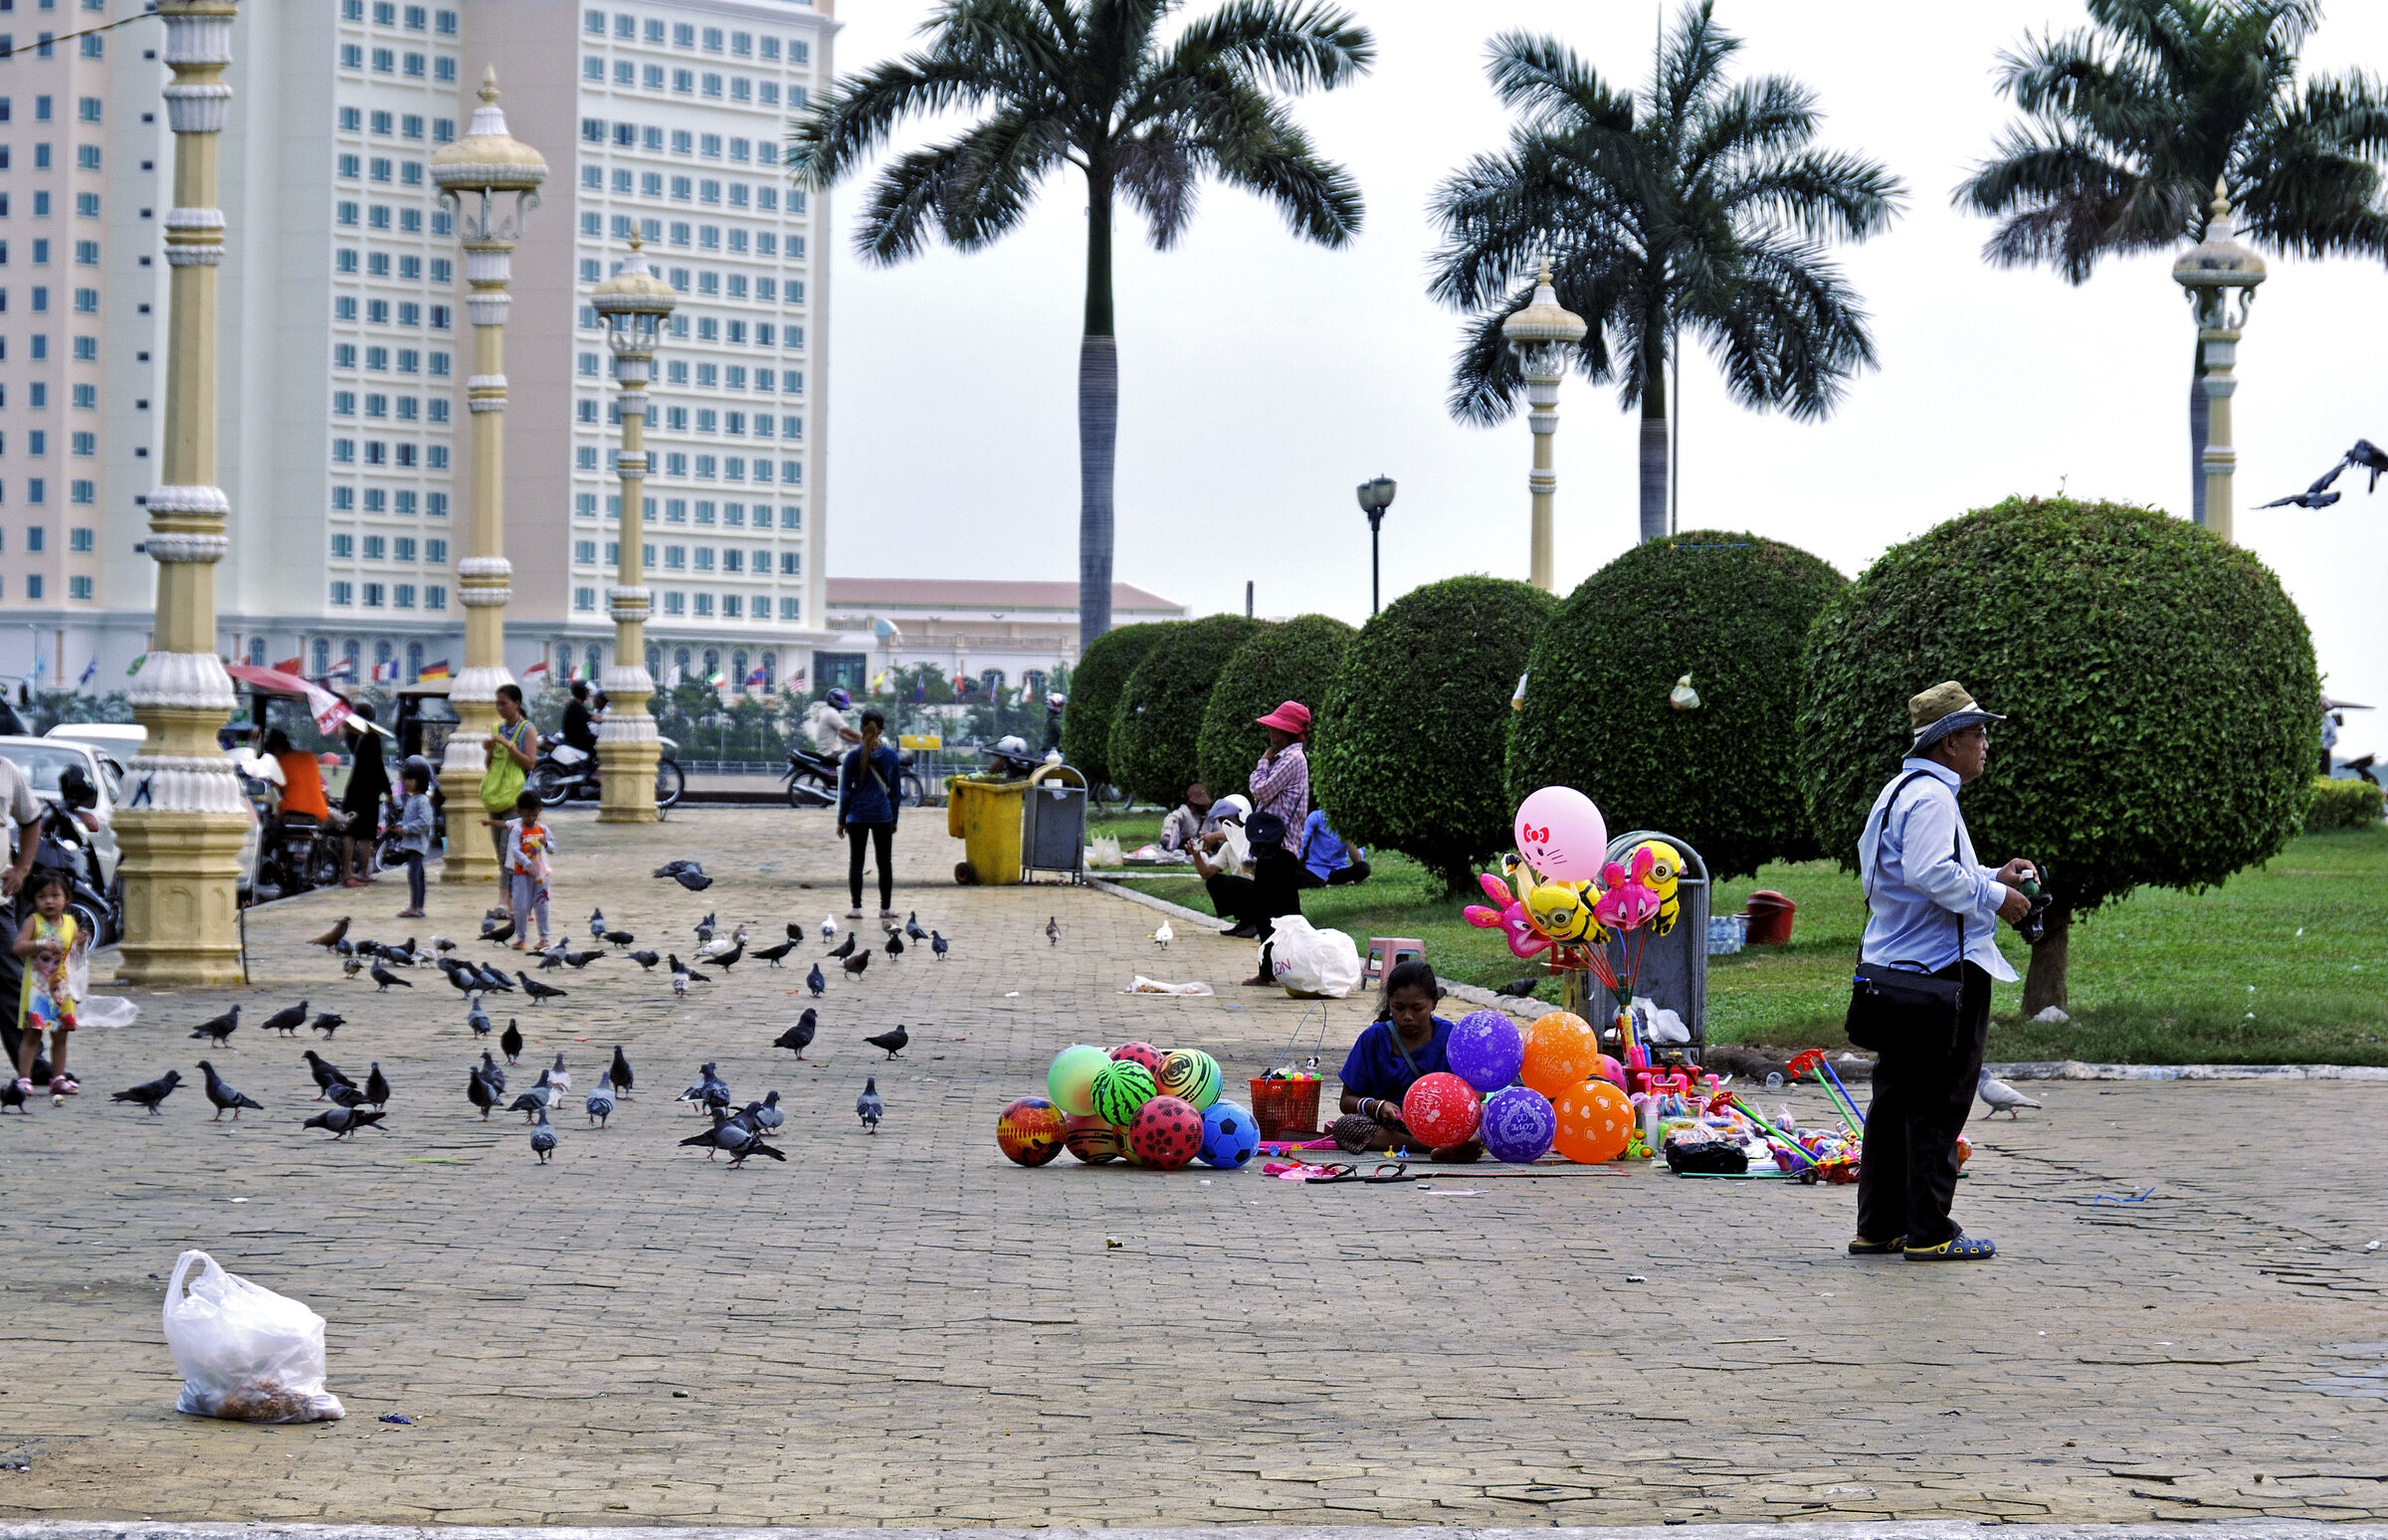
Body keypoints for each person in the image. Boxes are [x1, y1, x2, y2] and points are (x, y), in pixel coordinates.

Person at [1851, 680, 2039, 1263]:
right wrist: (1995, 898)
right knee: (1938, 1102)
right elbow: (1934, 874)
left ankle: (1879, 1227)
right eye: (1977, 734)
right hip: (1940, 976)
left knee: (1893, 1103)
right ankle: (1930, 1231)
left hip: (1893, 972)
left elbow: (1915, 872)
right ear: (1949, 743)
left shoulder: (1899, 792)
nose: (1985, 744)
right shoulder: (1933, 798)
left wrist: (1990, 874)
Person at [1334, 961, 1479, 1158]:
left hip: (1444, 1122)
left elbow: (1477, 1094)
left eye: (1417, 1008)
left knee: (1488, 1118)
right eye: (1398, 1008)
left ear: (1434, 1003)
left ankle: (1449, 1143)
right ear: (1389, 1003)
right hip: (1394, 1126)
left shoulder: (1451, 1037)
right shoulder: (1373, 1038)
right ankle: (1431, 1147)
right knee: (1346, 1127)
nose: (1407, 1016)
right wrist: (1376, 1106)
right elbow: (1346, 1101)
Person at [1191, 809, 1306, 980]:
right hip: (1257, 891)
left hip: (1262, 889)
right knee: (1268, 918)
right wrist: (1196, 855)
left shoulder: (1279, 857)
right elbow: (1208, 873)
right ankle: (1270, 968)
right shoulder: (1255, 850)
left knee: (1277, 918)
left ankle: (1276, 971)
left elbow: (1259, 788)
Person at [10, 871, 79, 1098]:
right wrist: (39, 943)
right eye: (42, 896)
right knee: (33, 1034)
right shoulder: (34, 922)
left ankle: (58, 1078)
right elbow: (18, 947)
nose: (48, 901)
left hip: (61, 989)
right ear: (34, 900)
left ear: (66, 898)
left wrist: (81, 942)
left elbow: (74, 953)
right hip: (38, 990)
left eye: (54, 895)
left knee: (61, 1035)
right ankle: (24, 1079)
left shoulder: (70, 923)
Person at [837, 705, 902, 921]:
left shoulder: (852, 758)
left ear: (861, 727)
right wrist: (894, 818)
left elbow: (845, 792)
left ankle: (856, 909)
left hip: (857, 816)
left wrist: (842, 819)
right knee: (885, 863)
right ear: (881, 730)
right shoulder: (891, 757)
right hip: (883, 816)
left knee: (856, 862)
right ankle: (885, 909)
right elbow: (895, 793)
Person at [481, 683, 538, 899]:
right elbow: (490, 765)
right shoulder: (497, 729)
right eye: (497, 703)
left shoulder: (527, 729)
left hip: (516, 798)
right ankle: (510, 899)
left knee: (510, 852)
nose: (500, 708)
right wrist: (490, 750)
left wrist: (509, 746)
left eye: (503, 703)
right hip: (496, 795)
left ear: (517, 703)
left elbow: (529, 763)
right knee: (500, 851)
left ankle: (508, 901)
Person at [1249, 700, 1310, 857]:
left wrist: (1262, 762)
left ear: (1287, 731)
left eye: (1275, 727)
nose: (1270, 729)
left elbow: (1261, 791)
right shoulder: (1281, 757)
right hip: (1270, 840)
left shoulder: (1293, 758)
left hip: (1281, 844)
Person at [338, 703, 390, 888]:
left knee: (350, 832)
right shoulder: (372, 738)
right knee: (366, 835)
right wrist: (388, 791)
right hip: (369, 792)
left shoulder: (351, 735)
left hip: (353, 789)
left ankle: (347, 872)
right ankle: (363, 872)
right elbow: (378, 767)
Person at [501, 787, 555, 950]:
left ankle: (544, 938)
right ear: (519, 812)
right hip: (521, 875)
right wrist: (527, 864)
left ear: (539, 811)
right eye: (526, 815)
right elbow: (515, 850)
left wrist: (545, 843)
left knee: (542, 905)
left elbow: (553, 847)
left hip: (541, 875)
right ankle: (521, 938)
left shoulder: (543, 830)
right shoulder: (517, 830)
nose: (530, 818)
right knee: (521, 906)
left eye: (534, 815)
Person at [393, 761, 436, 919]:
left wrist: (407, 828)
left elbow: (425, 821)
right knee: (418, 875)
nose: (407, 782)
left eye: (411, 779)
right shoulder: (412, 799)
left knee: (414, 875)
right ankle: (418, 906)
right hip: (412, 843)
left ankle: (415, 907)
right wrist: (400, 826)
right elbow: (408, 819)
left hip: (418, 844)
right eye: (406, 779)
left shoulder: (422, 800)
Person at [1298, 808, 1371, 886]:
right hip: (1315, 870)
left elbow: (1358, 860)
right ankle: (1325, 884)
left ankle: (1324, 883)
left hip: (1338, 870)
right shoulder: (1316, 816)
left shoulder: (1352, 820)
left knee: (1364, 868)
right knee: (1292, 871)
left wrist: (1348, 831)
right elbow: (1302, 841)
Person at [1158, 783, 1218, 854]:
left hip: (1205, 846)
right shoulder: (1184, 812)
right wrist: (1167, 835)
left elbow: (1219, 832)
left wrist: (1213, 837)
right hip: (1186, 846)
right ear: (1192, 804)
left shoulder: (1210, 816)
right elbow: (1172, 819)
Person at [561, 679, 601, 782]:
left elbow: (590, 714)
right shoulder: (575, 706)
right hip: (578, 739)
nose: (588, 694)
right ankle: (593, 773)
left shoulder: (574, 704)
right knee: (602, 746)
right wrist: (612, 720)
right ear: (581, 692)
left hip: (577, 737)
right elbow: (595, 719)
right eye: (586, 692)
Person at [805, 686, 859, 758]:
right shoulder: (832, 713)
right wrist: (865, 738)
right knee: (855, 761)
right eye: (843, 699)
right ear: (835, 700)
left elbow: (843, 735)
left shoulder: (829, 711)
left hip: (829, 752)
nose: (845, 701)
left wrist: (860, 741)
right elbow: (847, 731)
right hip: (830, 753)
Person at [1042, 690, 1067, 755]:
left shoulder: (1051, 719)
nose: (1062, 708)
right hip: (1051, 753)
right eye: (1061, 705)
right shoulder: (1055, 721)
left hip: (1048, 751)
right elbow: (1065, 735)